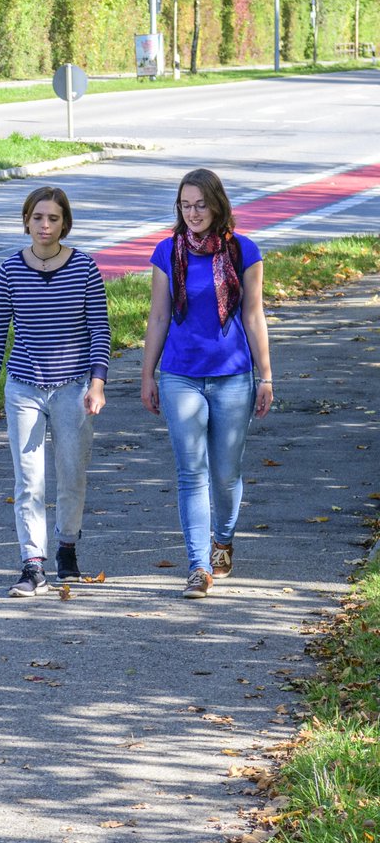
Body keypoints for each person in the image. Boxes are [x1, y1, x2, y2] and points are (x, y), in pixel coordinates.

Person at [141, 168, 273, 599]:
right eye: (185, 205)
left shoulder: (244, 251)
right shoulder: (167, 251)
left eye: (200, 205)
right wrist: (147, 374)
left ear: (217, 205)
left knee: (226, 474)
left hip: (233, 375)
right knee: (190, 471)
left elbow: (253, 315)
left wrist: (266, 375)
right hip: (180, 375)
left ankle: (223, 539)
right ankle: (198, 566)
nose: (193, 213)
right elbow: (159, 316)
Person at [0, 186, 111, 598]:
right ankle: (32, 565)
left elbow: (100, 330)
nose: (45, 225)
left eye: (53, 218)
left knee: (72, 472)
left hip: (73, 388)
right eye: (37, 217)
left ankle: (67, 546)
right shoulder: (10, 270)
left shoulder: (84, 268)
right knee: (29, 480)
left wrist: (97, 383)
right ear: (26, 220)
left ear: (65, 223)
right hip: (24, 387)